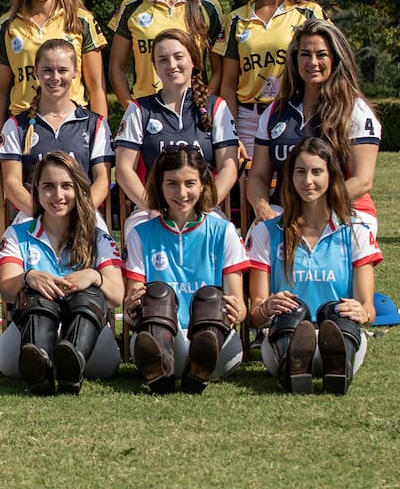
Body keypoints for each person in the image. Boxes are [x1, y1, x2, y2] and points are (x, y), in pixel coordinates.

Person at [246, 137, 381, 394]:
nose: (308, 181)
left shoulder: (356, 232)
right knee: (293, 310)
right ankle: (294, 365)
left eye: (317, 172)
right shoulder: (267, 232)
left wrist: (362, 313)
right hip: (282, 336)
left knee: (336, 312)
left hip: (344, 336)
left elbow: (368, 309)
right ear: (290, 177)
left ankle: (336, 366)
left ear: (331, 176)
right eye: (300, 172)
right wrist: (267, 307)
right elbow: (255, 314)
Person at [0, 152, 125, 394]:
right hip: (24, 343)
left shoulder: (97, 237)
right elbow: (6, 288)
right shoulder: (17, 234)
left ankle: (71, 362)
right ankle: (40, 367)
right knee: (37, 293)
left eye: (66, 186)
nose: (58, 196)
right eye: (48, 187)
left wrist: (94, 277)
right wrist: (27, 276)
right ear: (36, 190)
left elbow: (117, 295)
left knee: (89, 294)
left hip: (93, 348)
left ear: (79, 189)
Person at [123, 147, 249, 394]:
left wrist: (236, 311)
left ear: (203, 185)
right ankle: (163, 367)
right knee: (157, 293)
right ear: (159, 185)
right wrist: (130, 308)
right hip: (161, 337)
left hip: (215, 342)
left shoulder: (224, 231)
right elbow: (132, 309)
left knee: (210, 297)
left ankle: (198, 364)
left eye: (189, 183)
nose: (181, 193)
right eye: (172, 183)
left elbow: (240, 307)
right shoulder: (140, 234)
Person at [247, 19, 381, 230]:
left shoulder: (355, 110)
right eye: (305, 54)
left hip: (343, 209)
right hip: (284, 210)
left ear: (336, 59)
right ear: (295, 59)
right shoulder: (275, 112)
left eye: (322, 55)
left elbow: (362, 180)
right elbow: (258, 176)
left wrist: (315, 211)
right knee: (258, 237)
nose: (313, 62)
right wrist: (262, 208)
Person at [0, 0, 108, 148]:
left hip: (74, 126)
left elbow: (96, 87)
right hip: (23, 127)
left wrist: (101, 137)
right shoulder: (8, 24)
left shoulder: (81, 20)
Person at [216, 0, 326, 157]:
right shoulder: (236, 19)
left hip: (294, 114)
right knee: (248, 187)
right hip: (248, 120)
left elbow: (329, 66)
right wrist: (231, 132)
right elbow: (227, 84)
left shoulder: (309, 12)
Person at [114, 28, 238, 228]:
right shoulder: (139, 109)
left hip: (204, 209)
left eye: (178, 57)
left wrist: (205, 206)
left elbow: (229, 167)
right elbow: (123, 169)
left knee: (224, 232)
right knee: (136, 232)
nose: (171, 65)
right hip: (151, 210)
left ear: (194, 60)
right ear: (155, 67)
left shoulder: (216, 107)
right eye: (162, 60)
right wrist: (152, 208)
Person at [0, 39, 113, 226]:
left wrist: (80, 213)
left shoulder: (95, 124)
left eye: (63, 70)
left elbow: (102, 179)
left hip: (82, 216)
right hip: (32, 214)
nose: (55, 77)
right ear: (36, 71)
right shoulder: (16, 125)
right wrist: (44, 214)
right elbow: (11, 183)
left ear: (75, 72)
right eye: (48, 70)